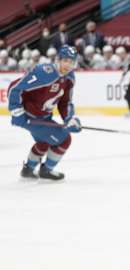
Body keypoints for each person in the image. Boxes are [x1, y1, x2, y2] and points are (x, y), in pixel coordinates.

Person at [7, 45, 81, 180]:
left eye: (72, 62)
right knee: (65, 140)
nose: (68, 65)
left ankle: (28, 170)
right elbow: (14, 88)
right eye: (65, 60)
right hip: (31, 118)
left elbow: (65, 103)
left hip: (44, 117)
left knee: (44, 142)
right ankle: (46, 170)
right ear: (59, 59)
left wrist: (69, 118)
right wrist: (16, 111)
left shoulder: (69, 77)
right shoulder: (45, 72)